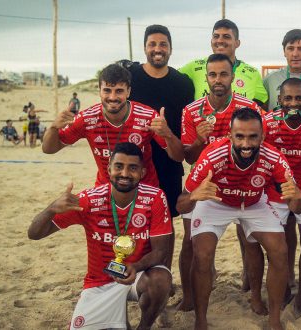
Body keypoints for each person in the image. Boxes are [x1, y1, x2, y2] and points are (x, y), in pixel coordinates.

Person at [176, 107, 301, 330]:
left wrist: (297, 197)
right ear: (230, 136)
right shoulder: (212, 155)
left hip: (254, 202)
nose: (246, 144)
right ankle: (200, 320)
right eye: (240, 137)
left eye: (253, 137)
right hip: (214, 201)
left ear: (262, 136)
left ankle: (274, 320)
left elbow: (298, 208)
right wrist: (195, 196)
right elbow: (181, 204)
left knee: (280, 250)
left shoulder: (274, 157)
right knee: (202, 253)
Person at [27, 142, 173, 330]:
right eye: (119, 166)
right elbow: (34, 234)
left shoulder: (155, 197)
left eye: (133, 168)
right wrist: (51, 209)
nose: (125, 174)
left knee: (161, 279)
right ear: (109, 168)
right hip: (99, 281)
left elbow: (161, 251)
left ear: (143, 173)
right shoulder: (88, 200)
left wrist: (136, 266)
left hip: (137, 275)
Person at [124, 24, 195, 316]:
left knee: (165, 228)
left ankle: (161, 278)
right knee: (132, 226)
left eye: (163, 44)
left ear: (170, 48)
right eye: (152, 44)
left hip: (168, 163)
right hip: (133, 163)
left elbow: (185, 128)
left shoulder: (181, 82)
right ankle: (136, 276)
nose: (158, 49)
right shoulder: (131, 78)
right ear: (144, 47)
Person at [42, 63, 184, 188]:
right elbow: (49, 149)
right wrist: (54, 127)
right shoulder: (87, 118)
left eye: (119, 91)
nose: (113, 97)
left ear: (128, 92)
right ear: (99, 91)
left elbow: (178, 157)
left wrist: (168, 135)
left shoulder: (147, 116)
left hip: (144, 192)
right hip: (106, 191)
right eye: (107, 90)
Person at [262, 78, 301, 313]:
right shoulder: (268, 122)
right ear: (279, 101)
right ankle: (285, 287)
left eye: (299, 98)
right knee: (277, 243)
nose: (293, 103)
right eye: (288, 98)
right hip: (276, 191)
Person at [180, 19, 268, 106]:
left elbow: (261, 105)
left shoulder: (252, 73)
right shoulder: (194, 67)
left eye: (226, 37)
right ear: (211, 42)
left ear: (237, 43)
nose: (220, 40)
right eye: (216, 36)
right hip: (206, 120)